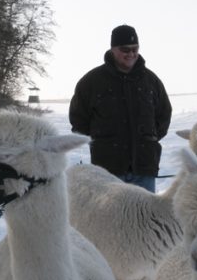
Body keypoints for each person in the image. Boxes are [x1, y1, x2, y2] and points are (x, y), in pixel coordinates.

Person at [69, 24, 172, 192]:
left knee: (144, 217)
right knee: (108, 217)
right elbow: (78, 119)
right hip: (107, 170)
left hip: (144, 168)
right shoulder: (91, 81)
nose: (131, 54)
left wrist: (147, 140)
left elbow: (163, 115)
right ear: (113, 50)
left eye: (135, 49)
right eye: (125, 49)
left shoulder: (151, 81)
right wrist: (103, 142)